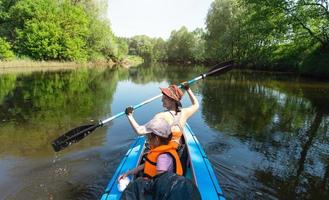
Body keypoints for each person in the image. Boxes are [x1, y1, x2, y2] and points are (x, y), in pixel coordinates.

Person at [125, 83, 199, 149]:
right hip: (176, 151)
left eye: (165, 98)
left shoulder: (161, 116)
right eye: (163, 97)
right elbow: (196, 105)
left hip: (161, 154)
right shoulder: (184, 113)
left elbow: (139, 130)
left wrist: (129, 115)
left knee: (149, 134)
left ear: (173, 100)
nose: (162, 100)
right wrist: (188, 89)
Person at [118, 118, 183, 181]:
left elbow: (160, 183)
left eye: (148, 137)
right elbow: (148, 163)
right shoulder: (161, 150)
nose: (148, 140)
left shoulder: (163, 158)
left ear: (156, 139)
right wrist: (129, 172)